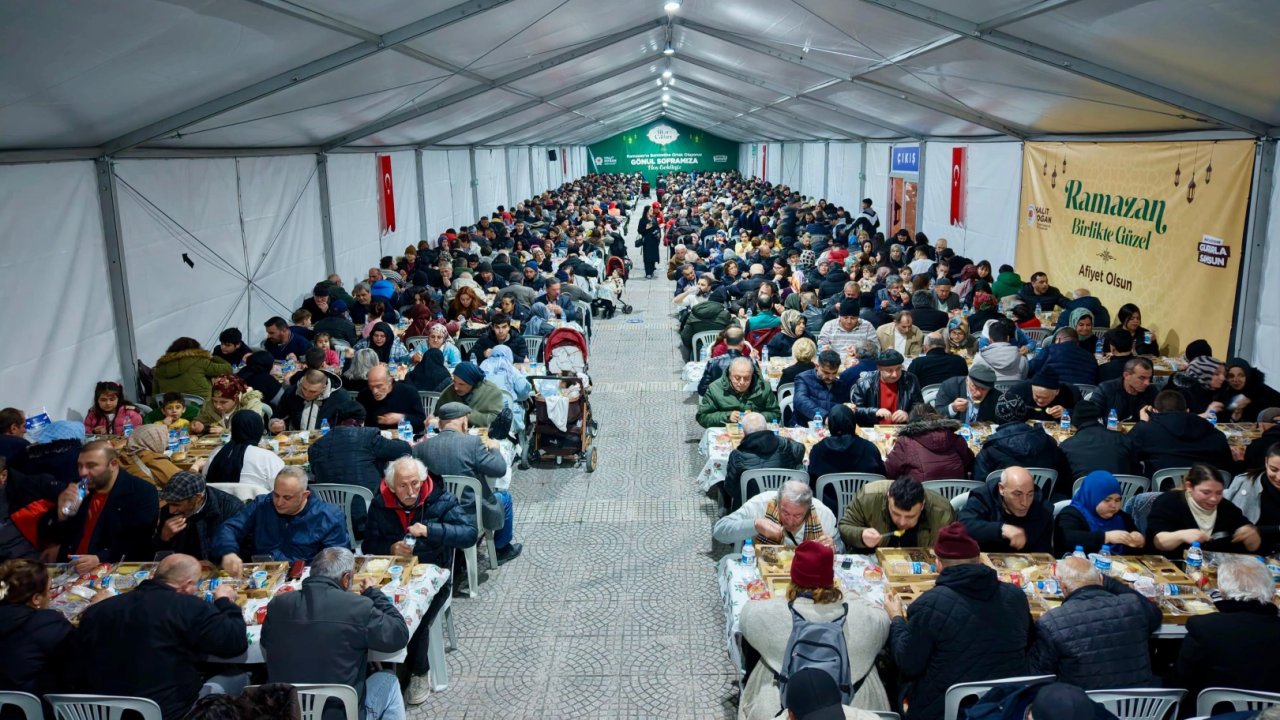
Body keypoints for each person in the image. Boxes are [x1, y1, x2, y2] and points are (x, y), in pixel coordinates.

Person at [70, 554, 248, 720]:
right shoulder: (189, 607)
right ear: (186, 585)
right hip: (173, 712)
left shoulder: (97, 612)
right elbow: (235, 643)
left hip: (106, 713)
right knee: (240, 677)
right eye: (196, 584)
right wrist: (225, 602)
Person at [884, 522, 1031, 720]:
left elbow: (907, 662)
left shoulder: (929, 604)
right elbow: (1030, 643)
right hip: (1007, 704)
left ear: (938, 564)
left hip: (945, 709)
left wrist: (896, 618)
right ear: (978, 560)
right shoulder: (1015, 596)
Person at [363, 457, 475, 704]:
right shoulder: (380, 503)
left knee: (419, 619)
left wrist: (429, 530)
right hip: (392, 576)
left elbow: (469, 534)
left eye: (415, 483)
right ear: (391, 486)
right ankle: (376, 667)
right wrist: (390, 547)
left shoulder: (441, 499)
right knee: (367, 609)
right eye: (403, 485)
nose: (411, 491)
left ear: (423, 480)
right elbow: (369, 544)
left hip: (435, 575)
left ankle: (419, 672)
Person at [738, 541, 889, 720]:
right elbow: (884, 621)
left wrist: (781, 598)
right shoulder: (865, 617)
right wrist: (849, 595)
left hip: (784, 706)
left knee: (764, 666)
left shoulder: (770, 613)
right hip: (853, 707)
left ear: (793, 578)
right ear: (831, 580)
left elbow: (745, 616)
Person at [261, 547, 409, 718]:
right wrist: (374, 593)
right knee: (388, 680)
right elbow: (399, 634)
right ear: (346, 579)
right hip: (341, 712)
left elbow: (266, 642)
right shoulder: (357, 607)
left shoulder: (278, 605)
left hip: (288, 713)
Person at [1028, 556, 1160, 689]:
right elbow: (1155, 615)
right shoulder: (1134, 606)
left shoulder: (1052, 622)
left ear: (1063, 587)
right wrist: (1110, 582)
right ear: (1102, 580)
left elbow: (1039, 676)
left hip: (1083, 706)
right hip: (1138, 706)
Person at [414, 403, 521, 564]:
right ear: (464, 422)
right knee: (504, 496)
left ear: (441, 424)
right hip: (470, 514)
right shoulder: (473, 443)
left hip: (435, 516)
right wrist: (495, 449)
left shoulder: (420, 448)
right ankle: (502, 548)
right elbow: (499, 469)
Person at [41, 441, 157, 568]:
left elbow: (139, 542)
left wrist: (100, 558)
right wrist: (61, 514)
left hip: (110, 569)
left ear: (113, 464)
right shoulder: (78, 487)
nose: (82, 472)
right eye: (80, 466)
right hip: (69, 566)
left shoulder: (141, 492)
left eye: (91, 466)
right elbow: (48, 533)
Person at [212, 467, 350, 573]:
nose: (279, 502)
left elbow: (337, 561)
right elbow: (229, 528)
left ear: (305, 495)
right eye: (276, 495)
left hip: (306, 577)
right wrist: (228, 551)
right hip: (263, 574)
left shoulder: (328, 516)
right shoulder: (262, 505)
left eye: (287, 498)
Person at [1176, 558, 1280, 698]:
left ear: (1222, 592)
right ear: (1271, 593)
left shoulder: (1204, 627)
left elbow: (1180, 683)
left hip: (1211, 713)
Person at [307, 400, 409, 525]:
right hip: (369, 516)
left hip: (331, 519)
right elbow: (404, 449)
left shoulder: (315, 447)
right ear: (358, 422)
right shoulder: (368, 436)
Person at [1146, 463, 1260, 559]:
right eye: (1206, 493)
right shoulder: (1169, 502)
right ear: (1189, 486)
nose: (1214, 499)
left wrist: (1252, 535)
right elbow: (1158, 542)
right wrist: (1180, 535)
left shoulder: (1226, 508)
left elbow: (1252, 546)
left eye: (1219, 493)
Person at [0, 559, 74, 701]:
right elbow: (75, 673)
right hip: (32, 709)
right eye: (49, 590)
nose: (51, 596)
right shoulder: (48, 624)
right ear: (36, 599)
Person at [972, 394, 1073, 497]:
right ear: (1025, 414)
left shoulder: (990, 449)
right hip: (1043, 503)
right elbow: (1065, 478)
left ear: (998, 417)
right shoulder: (1047, 441)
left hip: (1002, 507)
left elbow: (979, 487)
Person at [1127, 390, 1235, 476]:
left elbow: (1125, 450)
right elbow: (1228, 466)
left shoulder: (1146, 430)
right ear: (1187, 411)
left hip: (1161, 491)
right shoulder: (1213, 432)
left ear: (1155, 411)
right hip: (1205, 493)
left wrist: (1142, 423)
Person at [839, 477, 954, 553]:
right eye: (896, 514)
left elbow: (951, 549)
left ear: (923, 505)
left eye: (910, 516)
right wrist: (861, 535)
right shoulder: (869, 497)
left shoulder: (942, 511)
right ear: (888, 498)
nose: (902, 522)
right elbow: (844, 527)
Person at [712, 480, 839, 548]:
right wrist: (755, 525)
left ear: (808, 509)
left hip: (807, 573)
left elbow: (840, 546)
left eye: (797, 516)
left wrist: (834, 546)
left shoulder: (823, 513)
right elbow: (719, 531)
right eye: (785, 513)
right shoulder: (761, 503)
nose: (790, 521)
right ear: (778, 503)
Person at [151, 471, 245, 562]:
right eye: (169, 503)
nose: (171, 510)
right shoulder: (167, 511)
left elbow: (242, 549)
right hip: (182, 569)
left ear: (197, 498)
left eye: (176, 504)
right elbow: (155, 556)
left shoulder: (230, 508)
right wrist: (164, 537)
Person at [722, 413, 806, 512]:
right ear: (766, 428)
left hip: (749, 507)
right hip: (785, 505)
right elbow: (801, 449)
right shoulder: (785, 444)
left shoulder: (737, 455)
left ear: (744, 433)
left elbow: (730, 488)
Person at [807, 406, 886, 509]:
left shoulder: (818, 449)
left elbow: (811, 480)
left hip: (829, 508)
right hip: (864, 508)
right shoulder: (869, 448)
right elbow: (881, 476)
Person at [959, 466, 1052, 553]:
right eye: (1017, 494)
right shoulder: (983, 497)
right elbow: (964, 525)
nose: (1025, 503)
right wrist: (1000, 529)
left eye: (1030, 494)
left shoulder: (1042, 508)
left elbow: (1044, 553)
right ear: (1002, 488)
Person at [1054, 471, 1145, 556]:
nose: (1113, 505)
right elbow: (1067, 538)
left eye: (1117, 500)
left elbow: (1137, 548)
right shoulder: (1071, 514)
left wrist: (1138, 539)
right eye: (1107, 500)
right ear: (1092, 497)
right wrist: (1106, 537)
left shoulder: (1121, 517)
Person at [884, 405, 974, 483]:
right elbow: (970, 464)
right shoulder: (956, 438)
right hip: (956, 498)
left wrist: (890, 454)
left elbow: (889, 472)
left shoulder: (905, 442)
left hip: (920, 499)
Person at [202, 410, 283, 494]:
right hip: (255, 505)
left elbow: (205, 477)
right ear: (258, 429)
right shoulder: (268, 458)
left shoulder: (216, 453)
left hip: (219, 505)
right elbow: (282, 488)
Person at [697, 357, 779, 429]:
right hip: (726, 433)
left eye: (747, 378)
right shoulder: (715, 388)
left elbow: (776, 414)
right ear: (729, 375)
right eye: (737, 378)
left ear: (752, 375)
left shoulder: (764, 387)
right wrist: (727, 416)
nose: (742, 382)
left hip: (756, 433)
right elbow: (702, 417)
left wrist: (756, 417)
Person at [1059, 401, 1136, 478]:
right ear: (1099, 419)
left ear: (1074, 424)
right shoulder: (1122, 439)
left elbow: (1063, 479)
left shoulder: (1066, 446)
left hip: (1082, 488)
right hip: (1123, 488)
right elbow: (1136, 472)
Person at [850, 350, 923, 426]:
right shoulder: (864, 383)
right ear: (879, 368)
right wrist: (874, 412)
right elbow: (855, 410)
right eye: (889, 370)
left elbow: (920, 407)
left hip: (902, 429)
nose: (895, 375)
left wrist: (909, 415)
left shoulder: (910, 380)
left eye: (898, 369)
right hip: (872, 429)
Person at [271, 369, 352, 433]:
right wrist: (274, 424)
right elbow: (278, 415)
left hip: (328, 442)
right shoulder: (292, 392)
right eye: (304, 388)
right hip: (295, 441)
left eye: (313, 391)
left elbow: (350, 422)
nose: (306, 394)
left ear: (324, 387)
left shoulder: (340, 396)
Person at [153, 337, 234, 399]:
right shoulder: (200, 361)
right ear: (196, 349)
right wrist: (213, 357)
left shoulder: (160, 367)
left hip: (170, 408)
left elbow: (155, 395)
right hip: (201, 406)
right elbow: (227, 369)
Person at [358, 364, 427, 434]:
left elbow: (421, 422)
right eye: (371, 386)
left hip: (402, 438)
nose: (374, 391)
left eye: (379, 386)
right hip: (373, 438)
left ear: (390, 382)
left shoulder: (408, 392)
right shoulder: (365, 394)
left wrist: (401, 418)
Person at [435, 361, 504, 428]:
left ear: (473, 383)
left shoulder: (491, 392)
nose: (456, 387)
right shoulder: (450, 391)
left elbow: (496, 420)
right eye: (454, 382)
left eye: (461, 384)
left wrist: (467, 416)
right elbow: (437, 413)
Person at [118, 423, 185, 489]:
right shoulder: (153, 459)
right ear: (156, 440)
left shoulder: (123, 455)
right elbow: (183, 482)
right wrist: (195, 466)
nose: (166, 444)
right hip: (153, 498)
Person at [1028, 328, 1099, 385]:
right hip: (1083, 396)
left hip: (1053, 394)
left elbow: (1030, 368)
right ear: (1077, 343)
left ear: (1058, 340)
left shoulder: (1050, 349)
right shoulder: (1091, 357)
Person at [697, 326, 755, 396]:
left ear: (725, 341)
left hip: (719, 404)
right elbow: (758, 388)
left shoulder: (713, 362)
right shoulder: (751, 362)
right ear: (742, 342)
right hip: (745, 404)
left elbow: (702, 389)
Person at [1095, 357, 1156, 423]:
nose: (1147, 383)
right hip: (1111, 431)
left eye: (1149, 378)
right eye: (1142, 378)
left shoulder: (1152, 391)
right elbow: (1093, 417)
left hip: (1141, 431)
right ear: (1126, 375)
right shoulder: (1106, 389)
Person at [935, 365, 1001, 424]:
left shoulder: (996, 396)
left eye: (983, 389)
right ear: (967, 381)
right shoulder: (950, 386)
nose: (978, 393)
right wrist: (953, 408)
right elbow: (936, 415)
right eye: (975, 387)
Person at [1008, 368, 1079, 423]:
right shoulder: (1019, 390)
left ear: (1057, 391)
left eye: (1045, 397)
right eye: (1037, 396)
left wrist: (1067, 413)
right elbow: (1002, 412)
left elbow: (1083, 416)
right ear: (1032, 388)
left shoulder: (1070, 393)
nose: (1040, 401)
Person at [638, 204, 661, 278]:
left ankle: (652, 270)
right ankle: (648, 272)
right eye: (650, 210)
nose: (652, 211)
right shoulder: (643, 220)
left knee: (653, 256)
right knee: (647, 256)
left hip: (654, 240)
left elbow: (657, 227)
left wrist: (658, 233)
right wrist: (646, 228)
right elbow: (640, 230)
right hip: (647, 241)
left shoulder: (654, 218)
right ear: (647, 212)